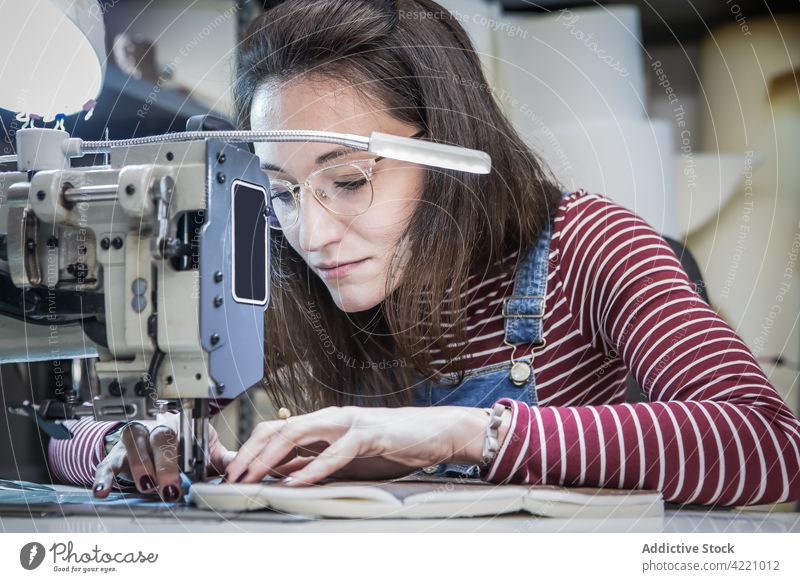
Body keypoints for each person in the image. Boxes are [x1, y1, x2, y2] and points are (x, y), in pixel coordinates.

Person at [49, 0, 800, 508]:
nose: (312, 235)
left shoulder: (591, 247)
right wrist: (129, 445)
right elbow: (62, 436)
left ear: (450, 150)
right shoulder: (280, 279)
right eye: (280, 191)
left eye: (347, 181)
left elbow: (769, 443)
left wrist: (461, 434)